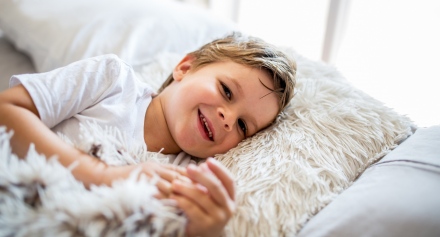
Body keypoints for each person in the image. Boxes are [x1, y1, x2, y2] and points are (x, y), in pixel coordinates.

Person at [0, 33, 296, 237]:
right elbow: (7, 108)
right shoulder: (112, 81)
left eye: (244, 126)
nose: (228, 119)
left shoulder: (186, 177)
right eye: (227, 91)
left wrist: (206, 231)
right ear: (185, 67)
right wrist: (100, 173)